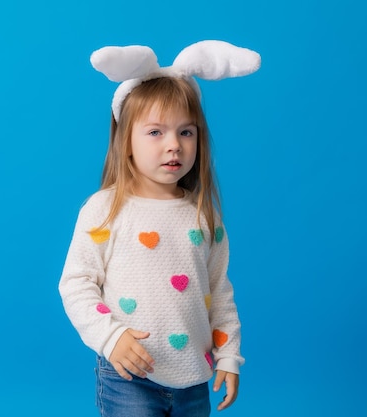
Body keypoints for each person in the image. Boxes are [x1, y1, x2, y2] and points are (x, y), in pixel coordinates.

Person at [59, 40, 260, 417]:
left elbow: (219, 292)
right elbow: (76, 283)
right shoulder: (105, 209)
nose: (174, 146)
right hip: (129, 377)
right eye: (156, 132)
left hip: (193, 379)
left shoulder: (203, 217)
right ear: (126, 141)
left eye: (186, 132)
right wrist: (110, 336)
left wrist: (229, 353)